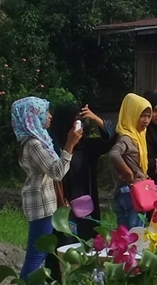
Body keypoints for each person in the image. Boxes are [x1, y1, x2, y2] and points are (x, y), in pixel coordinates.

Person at [11, 96, 79, 285]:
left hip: (43, 202)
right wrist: (70, 144)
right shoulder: (33, 144)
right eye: (45, 112)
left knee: (36, 255)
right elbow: (57, 172)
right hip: (41, 204)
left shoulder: (37, 141)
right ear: (33, 116)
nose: (49, 116)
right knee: (36, 256)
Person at [49, 102, 114, 240]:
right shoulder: (52, 147)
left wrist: (96, 119)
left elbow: (113, 139)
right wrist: (69, 144)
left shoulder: (86, 146)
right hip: (63, 204)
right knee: (65, 242)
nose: (78, 126)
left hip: (86, 204)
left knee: (87, 241)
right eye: (75, 122)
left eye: (81, 122)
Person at [109, 92, 152, 229]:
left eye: (148, 116)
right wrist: (129, 173)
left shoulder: (138, 136)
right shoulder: (127, 138)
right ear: (132, 115)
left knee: (124, 235)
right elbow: (114, 154)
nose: (146, 120)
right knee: (134, 234)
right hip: (130, 193)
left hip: (132, 191)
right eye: (142, 116)